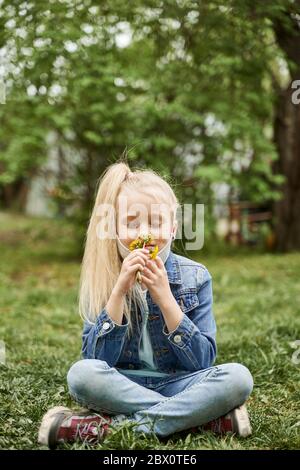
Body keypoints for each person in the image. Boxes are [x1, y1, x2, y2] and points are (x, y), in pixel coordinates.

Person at [38, 161, 253, 448]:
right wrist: (118, 292)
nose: (145, 233)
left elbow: (203, 362)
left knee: (238, 378)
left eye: (156, 221)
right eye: (132, 222)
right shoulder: (104, 276)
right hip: (122, 384)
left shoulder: (196, 276)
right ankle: (200, 418)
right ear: (114, 228)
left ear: (174, 228)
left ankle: (108, 428)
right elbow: (95, 361)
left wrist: (166, 299)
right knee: (80, 375)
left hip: (180, 383)